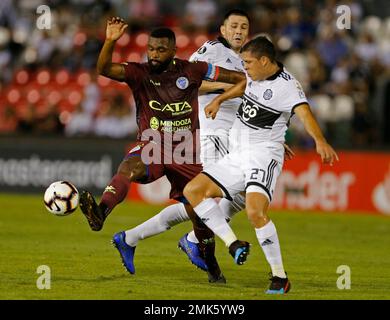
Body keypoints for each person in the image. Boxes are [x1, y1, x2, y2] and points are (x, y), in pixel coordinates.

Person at [120, 10, 294, 273]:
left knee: (221, 199)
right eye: (233, 26)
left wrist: (268, 138)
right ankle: (187, 240)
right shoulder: (211, 51)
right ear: (222, 30)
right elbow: (182, 83)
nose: (238, 31)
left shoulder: (245, 60)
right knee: (214, 197)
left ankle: (135, 237)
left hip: (235, 135)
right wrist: (223, 89)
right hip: (209, 132)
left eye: (244, 27)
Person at [79, 17, 245, 283]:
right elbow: (104, 69)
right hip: (153, 146)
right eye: (151, 49)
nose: (154, 54)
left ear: (172, 50)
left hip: (187, 154)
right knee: (127, 168)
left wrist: (221, 98)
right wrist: (110, 40)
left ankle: (213, 267)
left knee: (199, 219)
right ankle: (101, 212)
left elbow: (239, 79)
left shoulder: (193, 70)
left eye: (160, 50)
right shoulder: (139, 73)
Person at [183, 36, 339, 294]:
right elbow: (244, 86)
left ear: (265, 61)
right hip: (237, 153)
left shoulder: (288, 86)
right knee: (193, 191)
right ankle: (233, 244)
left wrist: (320, 141)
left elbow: (304, 113)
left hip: (263, 155)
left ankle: (279, 277)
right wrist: (220, 100)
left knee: (255, 212)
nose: (245, 67)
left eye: (248, 62)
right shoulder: (254, 76)